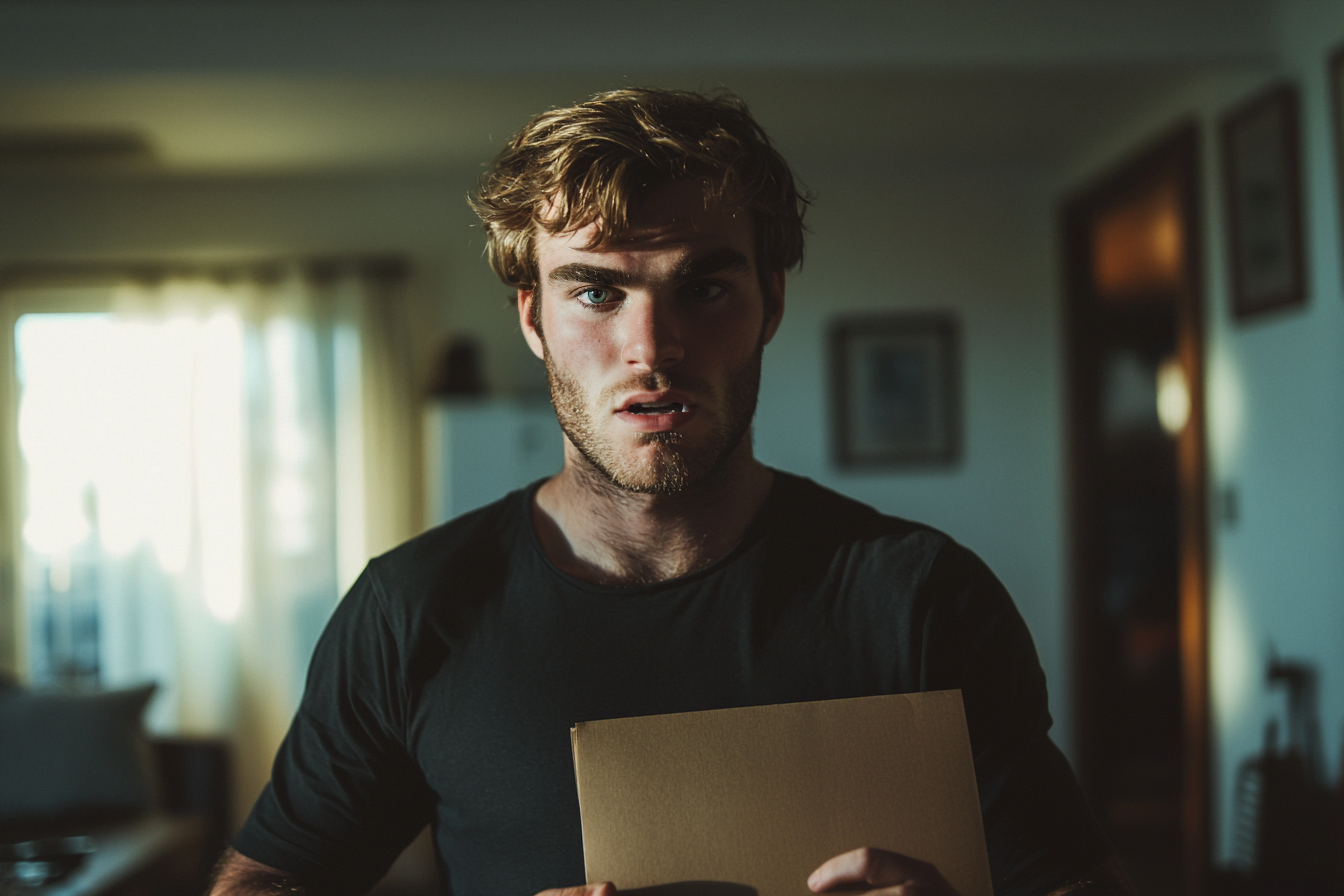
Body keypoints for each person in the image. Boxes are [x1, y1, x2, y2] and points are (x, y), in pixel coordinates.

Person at [210, 88, 1131, 896]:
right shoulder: (413, 611)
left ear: (769, 303)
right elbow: (270, 879)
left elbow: (1070, 878)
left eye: (703, 287)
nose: (652, 348)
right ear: (534, 317)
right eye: (598, 294)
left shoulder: (923, 595)